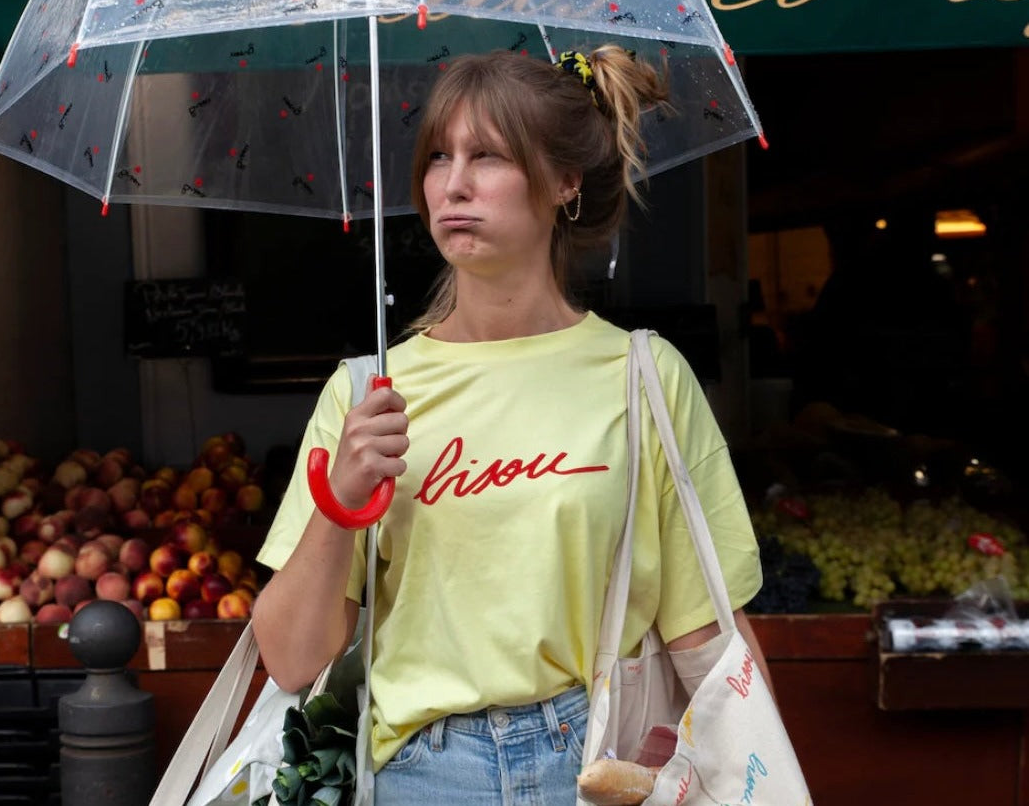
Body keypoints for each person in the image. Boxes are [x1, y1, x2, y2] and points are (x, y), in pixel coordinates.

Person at [252, 46, 770, 806]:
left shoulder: (645, 378)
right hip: (423, 777)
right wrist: (344, 494)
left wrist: (766, 777)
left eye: (487, 156)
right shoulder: (367, 394)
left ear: (565, 183)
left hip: (604, 765)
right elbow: (293, 661)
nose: (452, 184)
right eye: (437, 157)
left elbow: (707, 636)